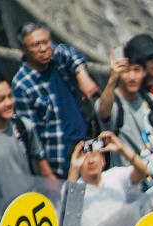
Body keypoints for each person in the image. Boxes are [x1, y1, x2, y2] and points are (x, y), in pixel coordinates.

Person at [12, 22, 100, 178]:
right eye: (36, 45)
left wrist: (82, 74)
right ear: (23, 50)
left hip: (87, 144)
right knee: (75, 200)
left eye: (46, 42)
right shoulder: (21, 85)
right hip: (61, 157)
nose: (44, 48)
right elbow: (31, 133)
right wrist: (46, 172)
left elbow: (70, 53)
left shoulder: (56, 58)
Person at [96, 46, 153, 158]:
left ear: (144, 72)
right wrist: (112, 78)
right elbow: (103, 112)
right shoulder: (112, 102)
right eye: (126, 71)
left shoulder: (150, 101)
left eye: (137, 70)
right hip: (124, 172)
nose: (132, 77)